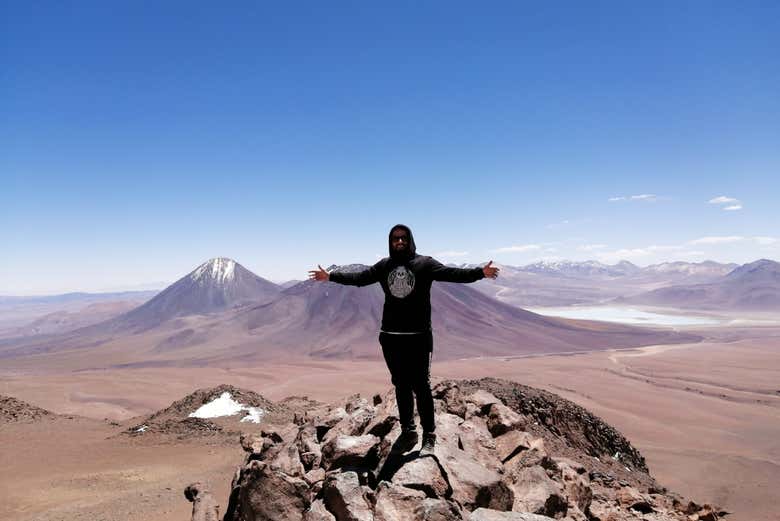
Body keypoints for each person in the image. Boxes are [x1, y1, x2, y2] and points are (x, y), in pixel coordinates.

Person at [308, 224, 499, 455]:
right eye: (395, 239)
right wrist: (330, 276)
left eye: (403, 238)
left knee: (422, 386)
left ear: (410, 240)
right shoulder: (385, 266)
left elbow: (452, 274)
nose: (399, 242)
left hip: (418, 337)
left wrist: (480, 272)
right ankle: (408, 430)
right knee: (401, 385)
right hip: (391, 337)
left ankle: (429, 435)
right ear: (390, 242)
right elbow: (360, 278)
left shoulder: (425, 264)